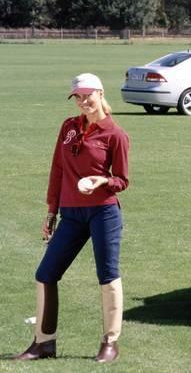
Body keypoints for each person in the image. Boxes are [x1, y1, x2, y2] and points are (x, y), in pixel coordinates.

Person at [14, 73, 129, 363]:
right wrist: (51, 212)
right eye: (77, 97)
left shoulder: (116, 134)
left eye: (87, 95)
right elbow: (57, 169)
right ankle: (43, 343)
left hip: (104, 212)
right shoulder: (68, 127)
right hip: (71, 214)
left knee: (107, 275)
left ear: (101, 93)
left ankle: (110, 343)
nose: (83, 101)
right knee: (45, 274)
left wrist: (102, 182)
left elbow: (122, 181)